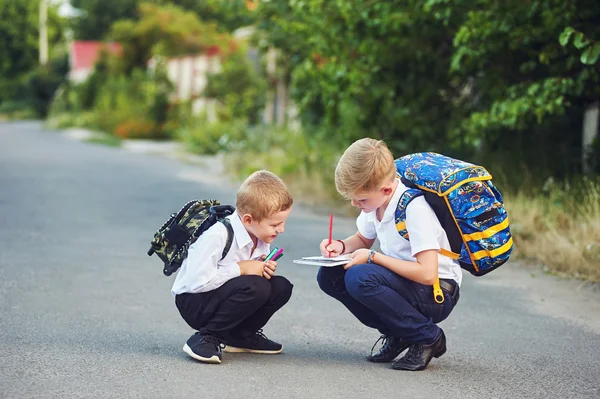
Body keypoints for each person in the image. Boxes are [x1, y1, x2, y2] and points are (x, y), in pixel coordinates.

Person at [317, 138, 462, 371]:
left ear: (386, 189)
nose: (355, 203)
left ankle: (427, 337)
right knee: (329, 275)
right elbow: (363, 239)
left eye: (361, 199)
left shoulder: (414, 209)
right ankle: (400, 332)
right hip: (406, 285)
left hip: (437, 292)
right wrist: (341, 247)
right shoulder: (375, 203)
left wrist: (372, 257)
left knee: (360, 276)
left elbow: (427, 273)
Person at [172, 170, 294, 364]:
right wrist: (241, 268)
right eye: (275, 224)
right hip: (193, 301)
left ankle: (240, 336)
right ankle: (206, 338)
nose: (281, 229)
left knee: (280, 287)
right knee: (257, 286)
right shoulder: (218, 235)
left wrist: (261, 270)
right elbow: (196, 283)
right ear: (248, 219)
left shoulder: (259, 236)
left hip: (219, 297)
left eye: (283, 222)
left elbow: (248, 280)